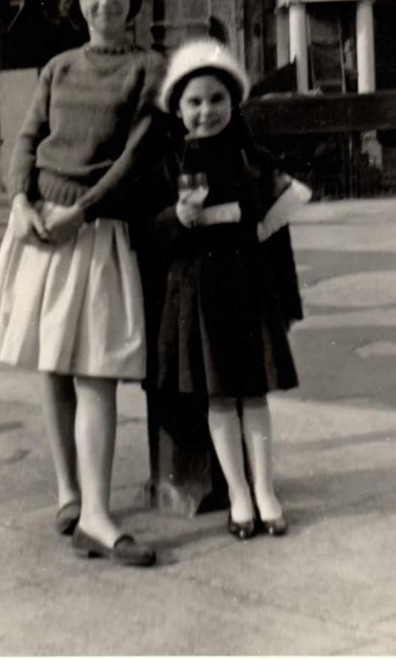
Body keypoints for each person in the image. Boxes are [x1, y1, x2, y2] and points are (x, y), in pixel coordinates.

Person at [0, 0, 165, 567]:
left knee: (96, 373)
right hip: (38, 230)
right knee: (53, 367)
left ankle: (98, 514)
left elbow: (138, 159)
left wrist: (79, 212)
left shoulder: (151, 70)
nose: (104, 2)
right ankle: (69, 491)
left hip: (95, 231)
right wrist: (19, 202)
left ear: (131, 0)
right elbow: (27, 140)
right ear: (76, 0)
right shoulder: (57, 68)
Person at [139, 37, 304, 540]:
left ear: (234, 103)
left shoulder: (252, 161)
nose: (206, 111)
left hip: (248, 291)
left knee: (253, 395)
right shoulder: (169, 165)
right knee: (216, 399)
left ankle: (265, 490)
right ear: (178, 108)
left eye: (217, 99)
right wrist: (176, 218)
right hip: (196, 296)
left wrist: (287, 303)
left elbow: (277, 238)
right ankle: (237, 494)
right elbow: (148, 234)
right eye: (194, 101)